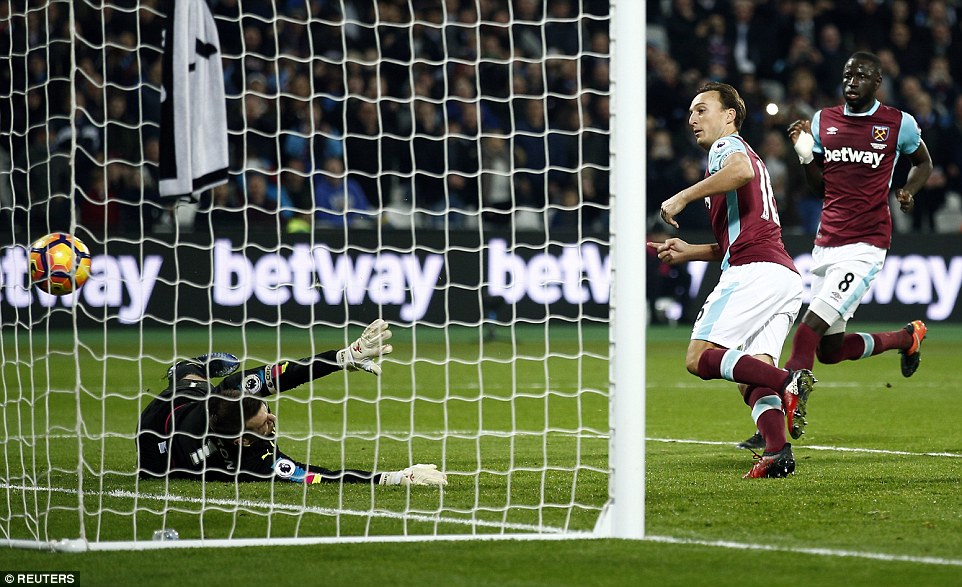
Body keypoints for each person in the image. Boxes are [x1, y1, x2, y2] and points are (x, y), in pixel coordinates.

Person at [742, 52, 935, 451]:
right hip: (826, 244)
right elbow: (820, 187)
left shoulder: (897, 123)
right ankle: (906, 338)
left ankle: (778, 418)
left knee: (807, 328)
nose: (852, 81)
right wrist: (805, 154)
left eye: (861, 75)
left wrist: (909, 190)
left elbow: (923, 162)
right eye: (847, 75)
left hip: (866, 245)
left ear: (877, 82)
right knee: (829, 350)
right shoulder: (822, 121)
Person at [649, 82, 815, 479]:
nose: (692, 119)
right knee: (750, 374)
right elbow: (739, 236)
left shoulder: (727, 149)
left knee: (698, 357)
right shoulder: (744, 157)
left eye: (702, 109)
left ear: (729, 116)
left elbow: (740, 171)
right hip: (781, 276)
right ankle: (776, 452)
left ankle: (788, 381)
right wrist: (690, 251)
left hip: (754, 271)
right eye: (691, 111)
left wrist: (682, 196)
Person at [136, 320, 447, 487]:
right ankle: (187, 370)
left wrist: (343, 357)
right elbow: (318, 475)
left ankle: (190, 368)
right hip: (158, 433)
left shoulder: (232, 392)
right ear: (243, 439)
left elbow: (289, 373)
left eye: (266, 410)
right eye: (264, 424)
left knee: (197, 382)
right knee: (190, 385)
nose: (272, 420)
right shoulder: (252, 464)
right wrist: (396, 477)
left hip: (189, 407)